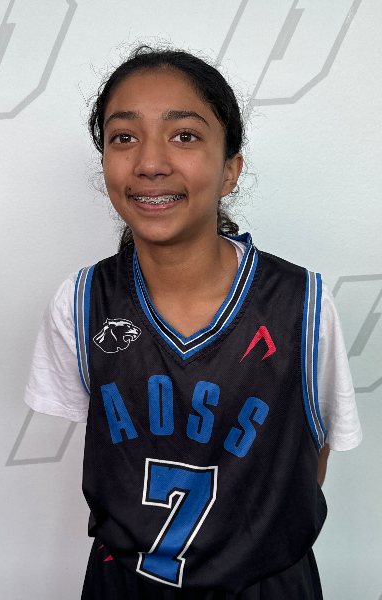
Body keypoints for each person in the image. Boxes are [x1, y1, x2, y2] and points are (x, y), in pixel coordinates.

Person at [24, 46, 362, 599]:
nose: (150, 162)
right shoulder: (81, 302)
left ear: (230, 169)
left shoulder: (303, 304)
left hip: (264, 586)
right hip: (123, 584)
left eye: (184, 135)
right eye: (123, 137)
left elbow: (311, 455)